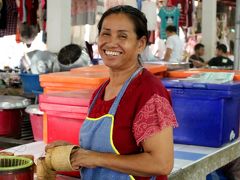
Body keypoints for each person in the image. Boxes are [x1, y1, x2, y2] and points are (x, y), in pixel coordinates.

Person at [46, 5, 178, 180]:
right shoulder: (100, 91)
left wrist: (95, 158)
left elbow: (162, 164)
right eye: (106, 33)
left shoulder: (148, 92)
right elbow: (108, 153)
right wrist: (76, 154)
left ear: (141, 44)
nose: (111, 42)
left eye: (122, 36)